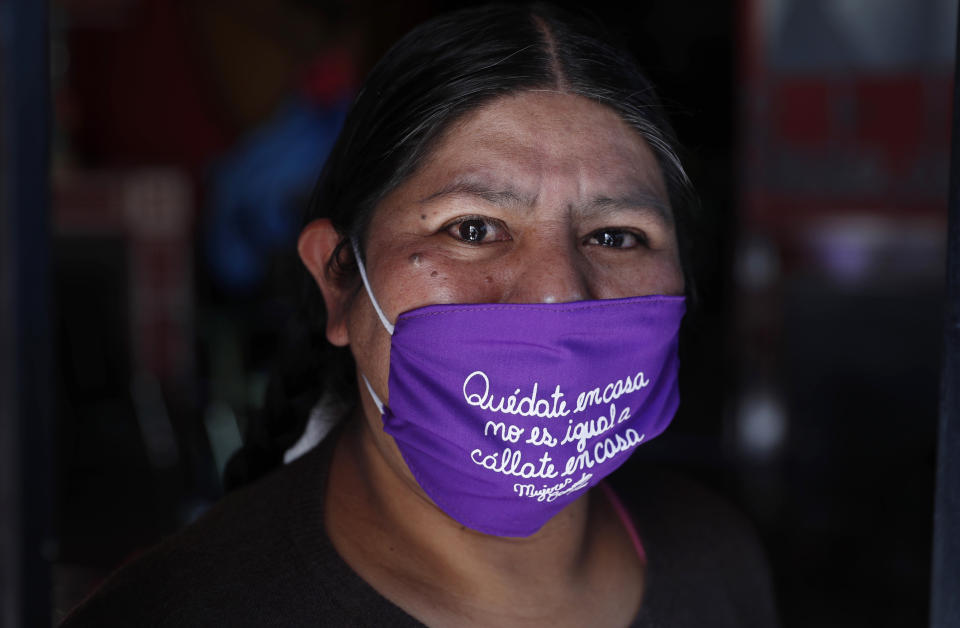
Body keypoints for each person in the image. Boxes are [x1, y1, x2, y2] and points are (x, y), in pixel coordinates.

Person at [62, 4, 779, 626]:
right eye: (472, 229)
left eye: (616, 236)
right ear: (340, 281)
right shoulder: (177, 616)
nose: (558, 292)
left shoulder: (715, 557)